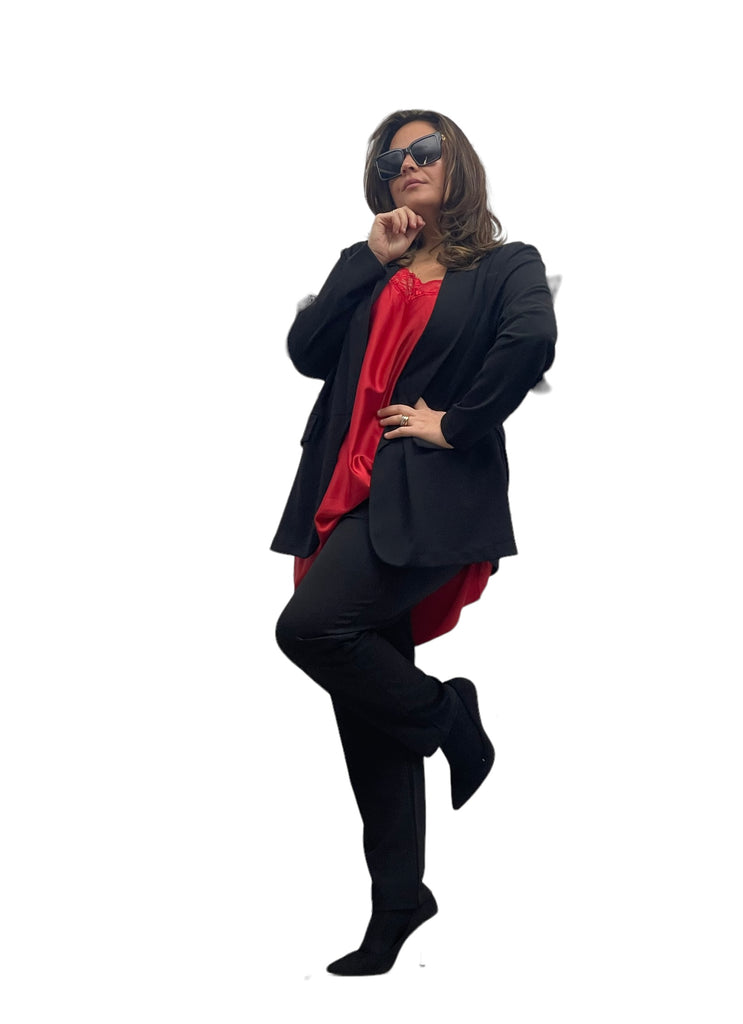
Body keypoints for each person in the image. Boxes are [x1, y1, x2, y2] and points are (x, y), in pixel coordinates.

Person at [272, 109, 557, 976]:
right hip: (340, 496)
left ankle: (448, 715)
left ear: (455, 162)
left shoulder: (505, 266)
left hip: (426, 496)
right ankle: (398, 899)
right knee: (366, 707)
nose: (407, 165)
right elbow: (306, 351)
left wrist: (456, 423)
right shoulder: (375, 265)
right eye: (391, 160)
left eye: (424, 150)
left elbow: (532, 339)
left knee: (312, 631)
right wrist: (366, 259)